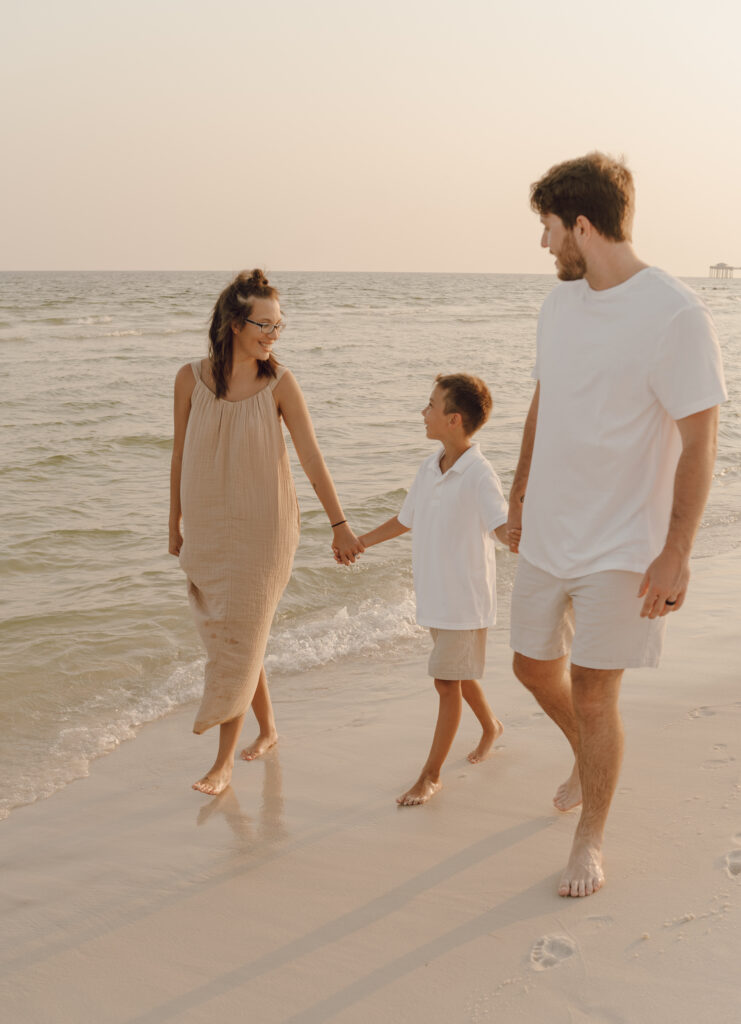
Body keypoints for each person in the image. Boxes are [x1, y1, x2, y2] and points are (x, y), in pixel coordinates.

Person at [507, 153, 727, 897]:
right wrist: (517, 495)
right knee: (530, 666)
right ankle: (587, 750)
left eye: (546, 228)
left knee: (597, 696)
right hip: (547, 531)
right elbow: (546, 399)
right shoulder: (558, 308)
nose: (543, 246)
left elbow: (700, 440)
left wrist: (676, 553)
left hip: (623, 547)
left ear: (579, 224)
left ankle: (589, 839)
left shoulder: (673, 313)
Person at [169, 269, 363, 796]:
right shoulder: (189, 379)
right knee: (235, 635)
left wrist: (339, 524)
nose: (273, 336)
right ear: (235, 323)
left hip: (266, 529)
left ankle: (223, 764)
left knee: (240, 637)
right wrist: (174, 522)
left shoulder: (281, 383)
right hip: (209, 526)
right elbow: (179, 454)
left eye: (280, 327)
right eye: (264, 325)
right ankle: (270, 729)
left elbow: (311, 457)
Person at [352, 374, 512, 806]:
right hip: (435, 597)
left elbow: (503, 530)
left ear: (454, 420)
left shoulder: (480, 474)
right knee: (459, 674)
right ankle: (492, 726)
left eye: (430, 405)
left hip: (464, 600)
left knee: (446, 682)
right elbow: (406, 519)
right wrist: (360, 541)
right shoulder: (430, 465)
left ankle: (431, 775)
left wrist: (533, 535)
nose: (423, 412)